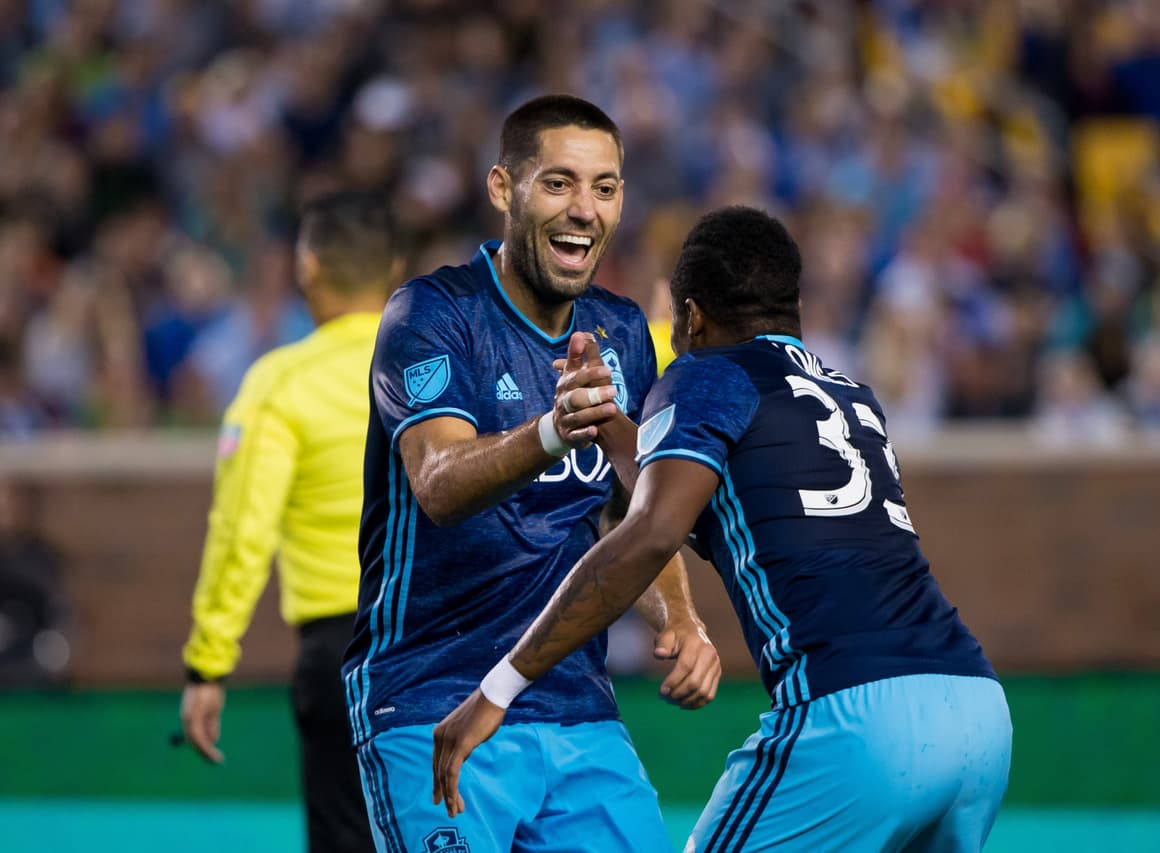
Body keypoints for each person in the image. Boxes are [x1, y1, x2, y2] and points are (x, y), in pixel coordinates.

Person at [432, 206, 1014, 852]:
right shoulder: (852, 394)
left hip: (856, 720)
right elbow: (706, 498)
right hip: (976, 711)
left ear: (692, 316)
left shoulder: (708, 374)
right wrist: (603, 419)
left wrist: (501, 685)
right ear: (791, 303)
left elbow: (651, 530)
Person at [342, 94, 721, 853]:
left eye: (605, 188)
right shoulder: (431, 315)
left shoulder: (620, 334)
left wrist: (679, 614)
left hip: (576, 707)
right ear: (502, 189)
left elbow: (629, 517)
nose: (585, 209)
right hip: (432, 694)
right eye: (558, 183)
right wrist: (551, 430)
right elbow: (439, 484)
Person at [180, 191, 399, 853]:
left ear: (308, 269)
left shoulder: (279, 384)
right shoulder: (450, 369)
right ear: (394, 269)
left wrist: (207, 663)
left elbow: (241, 531)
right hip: (458, 641)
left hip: (341, 650)